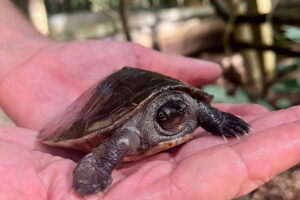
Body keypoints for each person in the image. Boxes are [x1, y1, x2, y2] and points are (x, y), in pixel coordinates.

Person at [0, 1, 299, 199]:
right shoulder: (130, 134)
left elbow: (195, 107)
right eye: (169, 113)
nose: (181, 113)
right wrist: (98, 168)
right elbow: (118, 141)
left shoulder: (187, 107)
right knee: (122, 139)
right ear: (158, 118)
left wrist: (218, 119)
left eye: (181, 109)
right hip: (122, 120)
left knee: (189, 105)